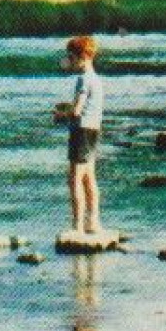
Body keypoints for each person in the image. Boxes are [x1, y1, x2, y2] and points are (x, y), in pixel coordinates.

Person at [56, 35, 104, 235]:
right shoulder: (97, 79)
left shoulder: (82, 80)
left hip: (81, 131)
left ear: (82, 56)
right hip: (94, 129)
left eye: (71, 57)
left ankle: (77, 226)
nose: (69, 61)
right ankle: (93, 222)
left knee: (74, 179)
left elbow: (77, 110)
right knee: (89, 178)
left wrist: (62, 114)